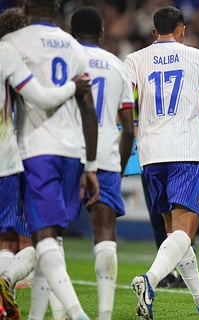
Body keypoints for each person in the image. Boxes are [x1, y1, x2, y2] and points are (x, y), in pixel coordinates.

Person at [1, 1, 100, 319]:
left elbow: (32, 97)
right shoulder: (72, 45)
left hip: (32, 148)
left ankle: (67, 311)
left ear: (27, 6)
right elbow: (88, 107)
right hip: (68, 149)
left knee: (38, 237)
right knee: (48, 238)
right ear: (57, 7)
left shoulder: (11, 45)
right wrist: (92, 164)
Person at [124, 6, 199, 319]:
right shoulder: (198, 57)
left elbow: (124, 108)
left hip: (150, 153)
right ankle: (150, 281)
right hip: (185, 149)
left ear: (154, 32)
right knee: (184, 232)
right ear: (183, 30)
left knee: (172, 235)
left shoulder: (135, 59)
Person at [68, 7, 135, 320]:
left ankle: (59, 312)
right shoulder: (117, 66)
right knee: (105, 231)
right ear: (102, 33)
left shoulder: (63, 60)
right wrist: (119, 170)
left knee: (47, 233)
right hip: (106, 158)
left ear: (71, 32)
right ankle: (105, 315)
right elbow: (129, 129)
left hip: (63, 153)